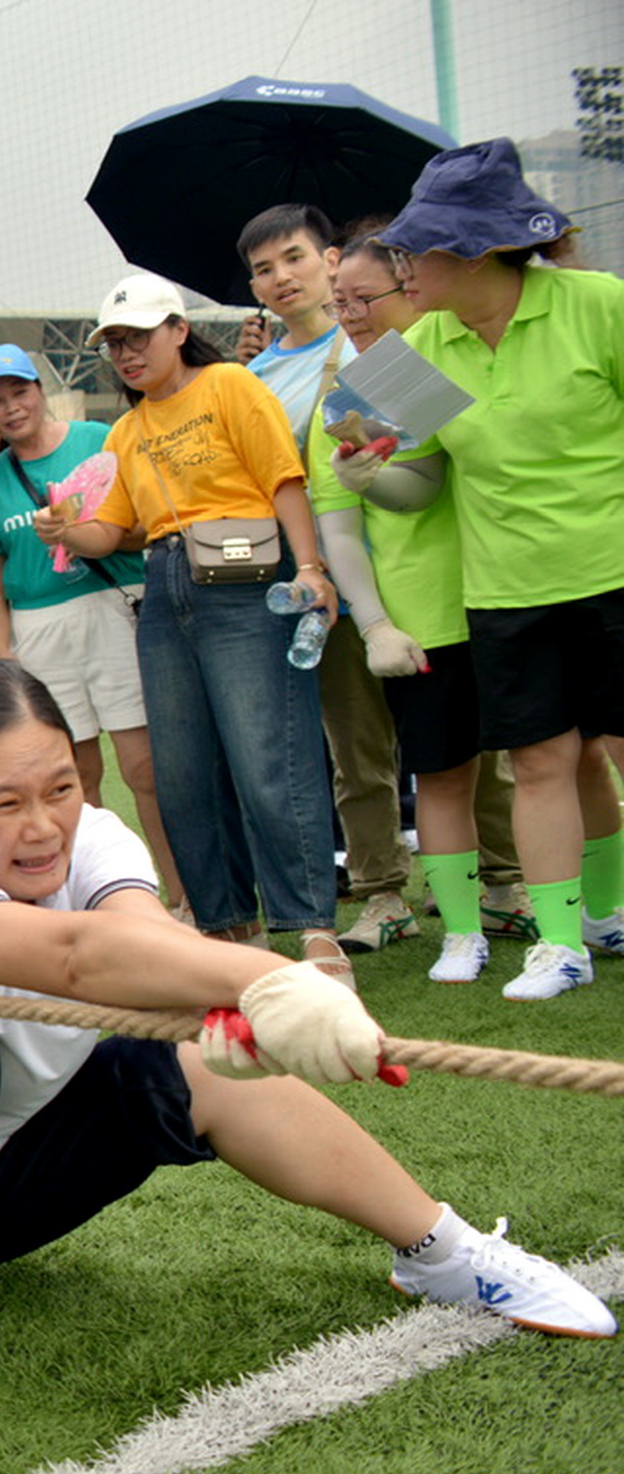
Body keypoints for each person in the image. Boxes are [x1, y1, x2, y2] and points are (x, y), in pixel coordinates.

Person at [0, 661, 614, 1468]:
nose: (43, 829)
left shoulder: (98, 837)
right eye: (5, 804)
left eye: (61, 789)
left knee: (187, 1052)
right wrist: (272, 975)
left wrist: (218, 1005)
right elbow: (77, 956)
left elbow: (139, 939)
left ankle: (440, 1251)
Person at [354, 139, 624, 1000]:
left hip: (613, 573)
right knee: (541, 764)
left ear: (471, 250)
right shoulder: (416, 349)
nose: (402, 266)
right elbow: (419, 480)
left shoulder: (598, 305)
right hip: (505, 592)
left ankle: (606, 915)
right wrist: (366, 469)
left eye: (412, 249)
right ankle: (560, 945)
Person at [36, 271, 348, 982]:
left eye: (138, 337)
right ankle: (228, 932)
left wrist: (311, 567)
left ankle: (313, 931)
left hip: (246, 583)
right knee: (182, 774)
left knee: (269, 757)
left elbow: (283, 479)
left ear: (179, 330)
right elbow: (112, 533)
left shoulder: (232, 387)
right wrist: (66, 526)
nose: (126, 354)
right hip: (163, 589)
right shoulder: (124, 429)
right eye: (114, 343)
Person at [306, 229, 534, 986]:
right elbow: (369, 510)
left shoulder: (473, 355)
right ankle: (461, 927)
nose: (352, 314)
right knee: (442, 774)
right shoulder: (354, 395)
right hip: (431, 618)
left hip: (524, 592)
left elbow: (475, 467)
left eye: (365, 298)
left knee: (552, 761)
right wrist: (375, 623)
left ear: (416, 283)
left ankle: (569, 912)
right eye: (340, 302)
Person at [235, 205, 415, 959]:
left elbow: (430, 443)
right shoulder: (251, 378)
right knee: (355, 741)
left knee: (457, 732)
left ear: (332, 260)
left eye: (295, 258)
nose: (282, 278)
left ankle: (499, 881)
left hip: (413, 554)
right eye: (263, 268)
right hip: (324, 575)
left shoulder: (384, 344)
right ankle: (383, 891)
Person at [0, 345, 180, 909]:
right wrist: (3, 653)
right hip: (38, 630)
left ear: (40, 389)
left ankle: (181, 898)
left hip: (113, 607)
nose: (11, 409)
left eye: (19, 393)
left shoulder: (99, 439)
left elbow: (145, 526)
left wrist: (86, 532)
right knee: (71, 777)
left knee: (146, 768)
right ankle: (93, 904)